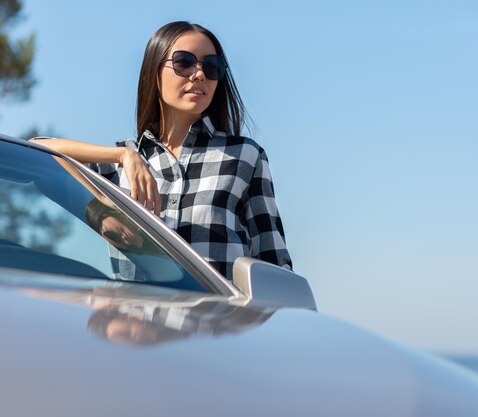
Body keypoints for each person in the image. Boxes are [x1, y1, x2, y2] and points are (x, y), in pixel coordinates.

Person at [32, 21, 291, 280]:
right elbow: (38, 150)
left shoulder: (245, 156)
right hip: (138, 318)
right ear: (154, 71)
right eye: (184, 62)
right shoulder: (117, 170)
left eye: (212, 66)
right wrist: (123, 157)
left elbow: (274, 263)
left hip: (220, 319)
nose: (199, 74)